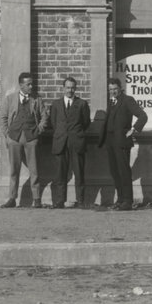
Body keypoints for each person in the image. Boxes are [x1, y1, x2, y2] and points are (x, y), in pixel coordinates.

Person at [98, 77, 148, 210]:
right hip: (110, 142)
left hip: (122, 143)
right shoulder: (111, 102)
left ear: (120, 88)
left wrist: (133, 130)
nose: (113, 92)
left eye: (115, 89)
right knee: (115, 172)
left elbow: (143, 116)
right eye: (110, 90)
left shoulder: (128, 100)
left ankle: (128, 201)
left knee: (124, 171)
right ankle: (120, 199)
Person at [0, 72, 47, 208]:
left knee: (34, 169)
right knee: (14, 170)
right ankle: (12, 198)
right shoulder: (10, 99)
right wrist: (8, 135)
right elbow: (2, 118)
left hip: (31, 138)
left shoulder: (36, 99)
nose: (31, 86)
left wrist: (38, 131)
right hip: (14, 138)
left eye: (32, 83)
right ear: (21, 85)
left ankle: (37, 199)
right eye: (28, 84)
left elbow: (44, 117)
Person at [48, 76, 91, 209]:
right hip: (60, 142)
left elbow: (85, 123)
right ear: (63, 88)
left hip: (76, 142)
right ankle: (60, 200)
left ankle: (81, 200)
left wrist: (75, 134)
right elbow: (53, 123)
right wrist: (62, 134)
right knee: (60, 173)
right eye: (67, 87)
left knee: (79, 172)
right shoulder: (55, 104)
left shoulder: (82, 104)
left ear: (75, 89)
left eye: (72, 88)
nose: (70, 90)